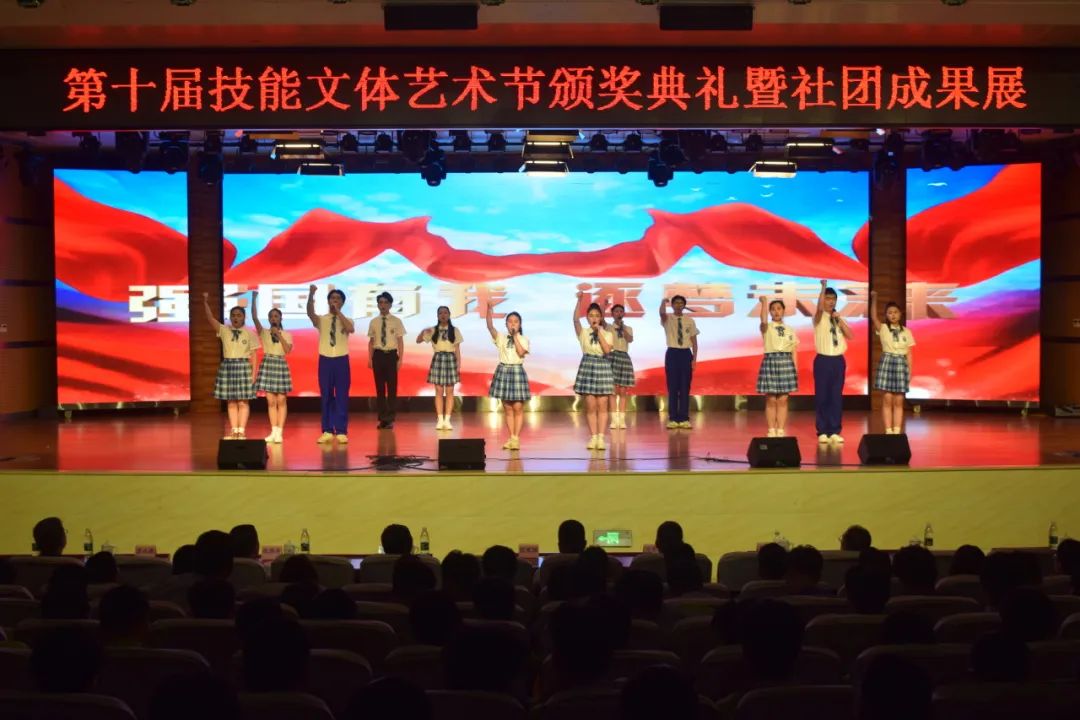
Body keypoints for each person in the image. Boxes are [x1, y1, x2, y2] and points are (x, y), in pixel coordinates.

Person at [202, 291, 258, 439]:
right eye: (233, 315)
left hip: (243, 367)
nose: (236, 318)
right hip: (228, 367)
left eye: (239, 315)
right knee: (231, 401)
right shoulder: (224, 330)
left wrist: (253, 375)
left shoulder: (250, 333)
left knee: (243, 401)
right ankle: (234, 430)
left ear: (244, 317)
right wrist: (205, 302)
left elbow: (254, 356)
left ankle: (241, 431)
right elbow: (210, 318)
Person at [307, 285, 354, 443]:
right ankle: (327, 430)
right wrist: (311, 295)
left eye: (338, 299)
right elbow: (310, 314)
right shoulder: (322, 320)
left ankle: (341, 430)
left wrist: (338, 312)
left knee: (341, 396)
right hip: (325, 360)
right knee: (326, 395)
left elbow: (350, 329)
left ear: (342, 302)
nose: (335, 300)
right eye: (332, 298)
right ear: (328, 301)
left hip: (341, 360)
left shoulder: (347, 320)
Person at [486, 301, 530, 450]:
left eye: (516, 322)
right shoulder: (501, 337)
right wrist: (489, 310)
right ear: (506, 324)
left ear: (520, 324)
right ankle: (512, 437)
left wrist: (515, 336)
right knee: (507, 408)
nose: (513, 324)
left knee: (518, 407)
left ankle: (516, 438)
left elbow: (521, 352)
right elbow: (490, 327)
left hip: (517, 371)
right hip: (504, 371)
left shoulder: (523, 339)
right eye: (510, 321)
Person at [870, 290, 916, 434]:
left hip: (901, 364)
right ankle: (888, 431)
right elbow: (873, 317)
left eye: (895, 312)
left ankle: (897, 432)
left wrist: (910, 372)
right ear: (886, 315)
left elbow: (909, 353)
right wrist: (875, 298)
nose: (893, 315)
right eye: (890, 313)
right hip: (887, 361)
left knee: (899, 401)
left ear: (900, 314)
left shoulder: (906, 332)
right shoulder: (883, 328)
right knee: (887, 399)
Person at [813, 280, 853, 444]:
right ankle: (823, 430)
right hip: (823, 360)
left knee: (836, 396)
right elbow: (818, 309)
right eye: (827, 298)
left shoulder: (839, 318)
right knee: (822, 396)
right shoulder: (819, 317)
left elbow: (850, 336)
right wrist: (822, 288)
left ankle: (835, 430)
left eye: (833, 299)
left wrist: (840, 320)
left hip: (838, 360)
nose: (830, 302)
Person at [572, 298, 615, 451]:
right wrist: (579, 300)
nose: (594, 318)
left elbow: (607, 350)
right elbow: (575, 319)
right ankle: (593, 437)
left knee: (602, 405)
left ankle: (601, 438)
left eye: (597, 315)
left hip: (602, 366)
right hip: (588, 366)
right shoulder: (583, 332)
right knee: (590, 405)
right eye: (591, 315)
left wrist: (599, 332)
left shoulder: (608, 334)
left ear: (601, 317)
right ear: (587, 317)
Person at [251, 290, 293, 444]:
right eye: (271, 316)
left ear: (280, 318)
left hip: (280, 364)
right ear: (268, 319)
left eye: (276, 316)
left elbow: (287, 350)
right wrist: (254, 299)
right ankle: (273, 431)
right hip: (268, 364)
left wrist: (279, 334)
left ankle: (280, 432)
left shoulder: (287, 334)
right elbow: (254, 317)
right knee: (271, 401)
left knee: (281, 400)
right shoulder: (264, 332)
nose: (273, 318)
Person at [757, 296, 800, 437]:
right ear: (770, 312)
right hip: (771, 360)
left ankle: (780, 429)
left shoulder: (790, 329)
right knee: (771, 399)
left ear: (783, 311)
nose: (776, 312)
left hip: (786, 362)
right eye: (773, 309)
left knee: (783, 399)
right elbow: (763, 320)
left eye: (779, 309)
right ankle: (771, 429)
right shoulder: (767, 327)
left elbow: (794, 349)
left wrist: (795, 368)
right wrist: (764, 303)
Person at [416, 305, 462, 431]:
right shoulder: (432, 330)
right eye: (440, 313)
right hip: (438, 358)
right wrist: (423, 331)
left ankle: (447, 420)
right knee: (439, 391)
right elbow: (418, 341)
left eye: (445, 313)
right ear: (437, 316)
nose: (443, 315)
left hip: (451, 359)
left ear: (449, 315)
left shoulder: (455, 330)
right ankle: (440, 419)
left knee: (450, 391)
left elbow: (457, 349)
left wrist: (458, 365)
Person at [368, 291, 406, 430]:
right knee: (379, 389)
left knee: (391, 388)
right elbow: (371, 341)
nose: (383, 305)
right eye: (380, 302)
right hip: (378, 355)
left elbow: (400, 341)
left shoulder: (396, 321)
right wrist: (370, 358)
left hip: (391, 356)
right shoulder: (374, 322)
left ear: (390, 305)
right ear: (378, 305)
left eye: (385, 302)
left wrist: (400, 359)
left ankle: (390, 419)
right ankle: (382, 418)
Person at [659, 294, 698, 429]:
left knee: (685, 387)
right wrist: (663, 302)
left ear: (684, 305)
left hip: (686, 354)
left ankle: (684, 418)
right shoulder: (668, 319)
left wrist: (694, 359)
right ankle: (673, 418)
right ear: (672, 305)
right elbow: (661, 313)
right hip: (672, 353)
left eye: (681, 303)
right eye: (676, 303)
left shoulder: (690, 320)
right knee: (673, 387)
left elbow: (694, 342)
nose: (678, 305)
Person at [607, 303, 636, 430]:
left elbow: (630, 339)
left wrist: (622, 327)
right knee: (613, 390)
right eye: (616, 311)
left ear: (623, 314)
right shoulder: (608, 327)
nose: (619, 313)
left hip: (624, 357)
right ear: (612, 314)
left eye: (621, 311)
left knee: (623, 390)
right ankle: (614, 420)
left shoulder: (628, 328)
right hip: (612, 356)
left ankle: (622, 419)